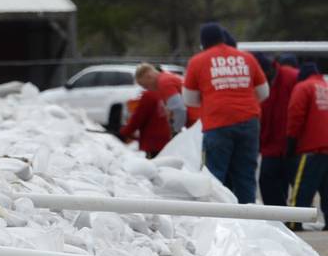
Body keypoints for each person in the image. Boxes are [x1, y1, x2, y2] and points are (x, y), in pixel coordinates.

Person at [183, 22, 269, 204]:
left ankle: (218, 220)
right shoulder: (247, 58)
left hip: (217, 122)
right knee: (245, 174)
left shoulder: (198, 61)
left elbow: (189, 99)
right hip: (249, 121)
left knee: (215, 175)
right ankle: (249, 218)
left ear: (203, 41)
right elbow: (264, 92)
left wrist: (212, 100)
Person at [286, 61, 328, 231]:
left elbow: (295, 115)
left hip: (312, 148)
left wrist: (291, 143)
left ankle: (294, 221)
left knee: (303, 187)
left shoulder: (303, 87)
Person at [257, 54, 300, 207]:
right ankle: (277, 219)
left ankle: (296, 219)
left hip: (292, 142)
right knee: (268, 182)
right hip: (270, 145)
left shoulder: (291, 77)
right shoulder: (257, 82)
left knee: (297, 183)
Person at [118, 63, 187, 157]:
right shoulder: (168, 83)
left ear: (149, 76)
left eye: (145, 86)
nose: (146, 89)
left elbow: (138, 119)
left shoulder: (155, 91)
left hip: (154, 143)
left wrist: (123, 132)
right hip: (169, 140)